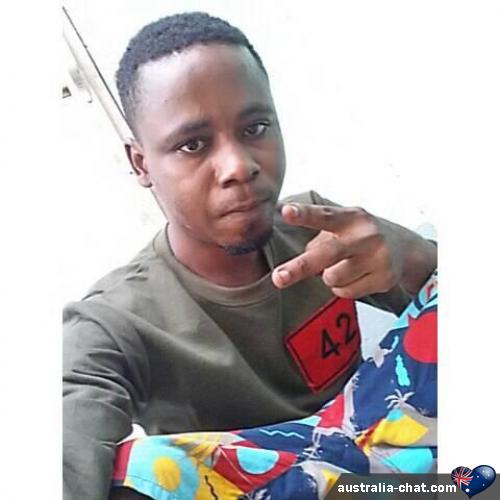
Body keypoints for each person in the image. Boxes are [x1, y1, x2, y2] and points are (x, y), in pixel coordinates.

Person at [63, 12, 437, 500]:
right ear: (142, 163)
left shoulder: (319, 230)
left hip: (389, 470)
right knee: (136, 471)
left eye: (255, 127)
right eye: (193, 145)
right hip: (260, 487)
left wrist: (412, 259)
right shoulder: (114, 322)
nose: (239, 166)